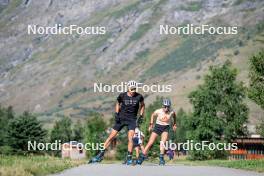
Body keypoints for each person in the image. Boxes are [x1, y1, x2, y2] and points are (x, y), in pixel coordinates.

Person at [89, 80, 145, 165]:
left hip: (132, 120)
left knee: (130, 138)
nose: (133, 91)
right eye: (132, 89)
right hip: (121, 119)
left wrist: (141, 115)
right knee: (111, 136)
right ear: (128, 88)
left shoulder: (139, 96)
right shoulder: (122, 96)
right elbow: (118, 103)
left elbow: (143, 105)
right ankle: (99, 155)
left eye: (134, 89)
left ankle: (129, 157)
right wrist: (116, 113)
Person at [137, 99, 176, 165]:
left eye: (168, 107)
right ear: (162, 106)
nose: (166, 108)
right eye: (165, 107)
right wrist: (151, 124)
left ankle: (161, 159)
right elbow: (152, 115)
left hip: (165, 128)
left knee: (163, 143)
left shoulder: (171, 112)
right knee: (150, 143)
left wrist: (174, 124)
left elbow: (174, 116)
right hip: (157, 127)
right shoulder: (159, 111)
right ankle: (142, 157)